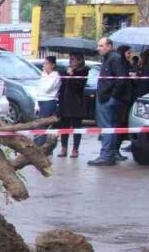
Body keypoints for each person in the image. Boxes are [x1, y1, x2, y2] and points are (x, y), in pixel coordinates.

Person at [89, 37, 133, 166]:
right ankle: (110, 153)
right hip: (107, 97)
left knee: (107, 127)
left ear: (109, 46)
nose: (99, 48)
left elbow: (121, 80)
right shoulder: (109, 58)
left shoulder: (114, 59)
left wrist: (113, 97)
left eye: (101, 46)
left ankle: (106, 155)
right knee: (111, 127)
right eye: (98, 46)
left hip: (108, 99)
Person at [57, 53, 89, 157]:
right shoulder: (66, 70)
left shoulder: (83, 71)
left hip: (76, 103)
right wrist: (66, 74)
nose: (71, 62)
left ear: (79, 61)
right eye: (70, 59)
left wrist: (71, 75)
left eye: (73, 59)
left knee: (76, 127)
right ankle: (64, 148)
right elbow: (62, 84)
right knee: (64, 126)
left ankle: (75, 149)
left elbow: (78, 86)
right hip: (64, 102)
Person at [32, 56, 61, 146]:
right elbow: (38, 89)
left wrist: (46, 79)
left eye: (46, 63)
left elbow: (47, 89)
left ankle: (40, 145)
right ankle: (38, 143)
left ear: (52, 65)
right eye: (44, 63)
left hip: (49, 100)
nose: (44, 65)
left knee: (43, 124)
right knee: (38, 124)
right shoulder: (43, 75)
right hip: (40, 100)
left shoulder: (55, 76)